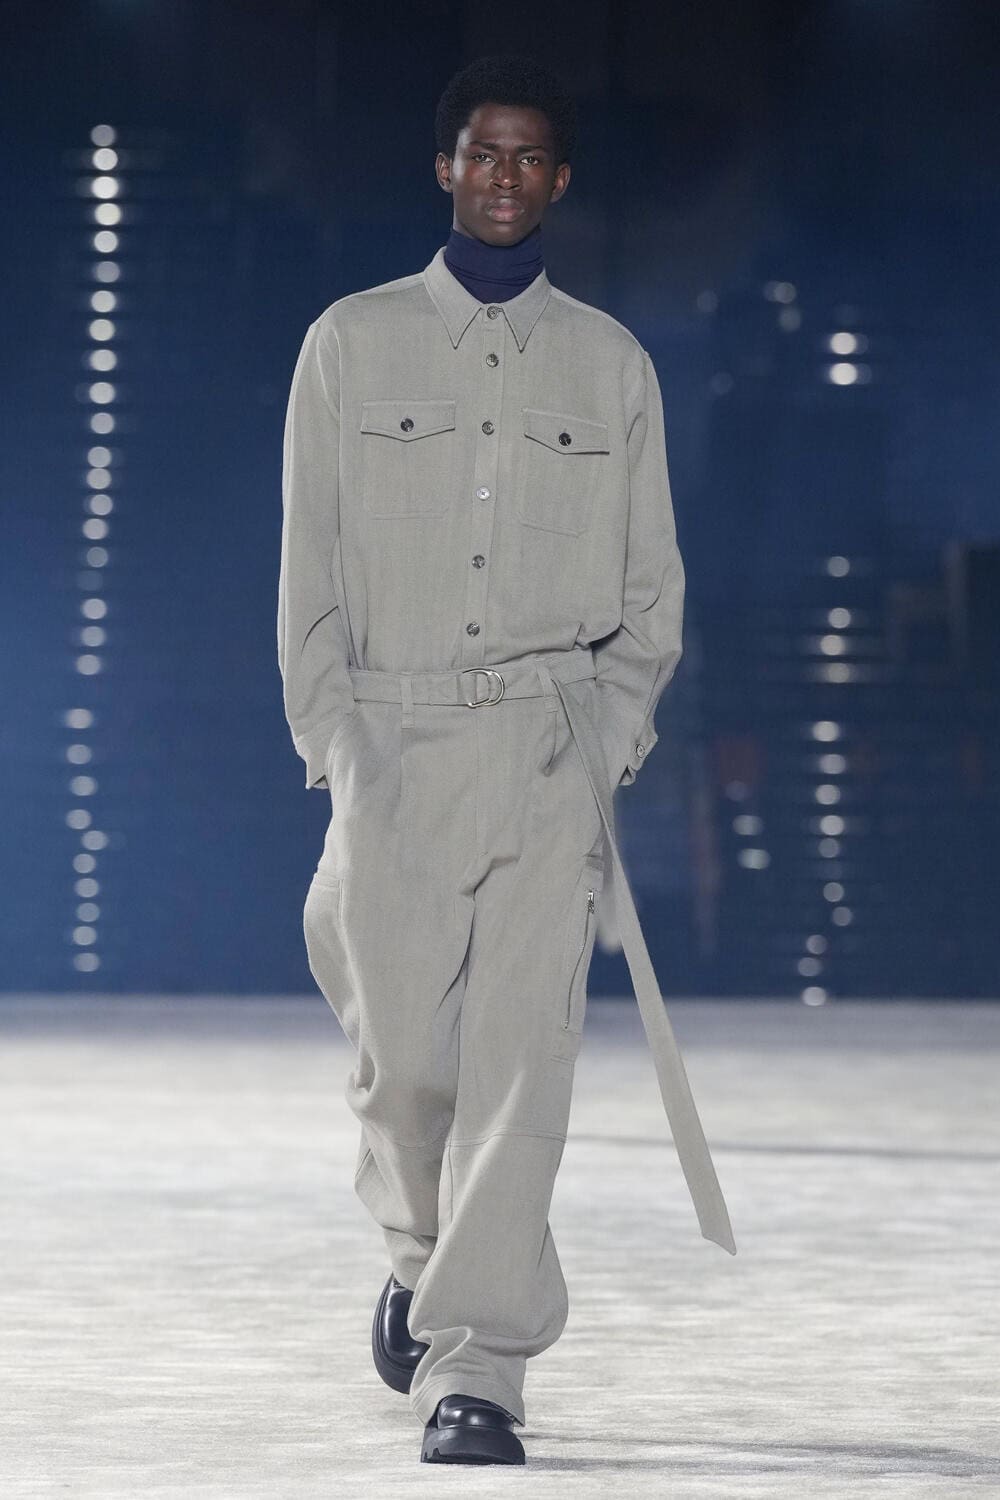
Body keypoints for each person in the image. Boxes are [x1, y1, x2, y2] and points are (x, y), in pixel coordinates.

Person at [277, 51, 736, 1468]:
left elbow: (651, 594)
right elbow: (308, 572)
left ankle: (478, 1366)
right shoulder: (350, 343)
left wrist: (605, 743)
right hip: (394, 745)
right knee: (405, 1065)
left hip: (547, 753)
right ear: (445, 167)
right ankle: (424, 1261)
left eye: (531, 157)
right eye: (483, 152)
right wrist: (339, 745)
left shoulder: (610, 363)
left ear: (558, 181)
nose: (505, 176)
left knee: (519, 1070)